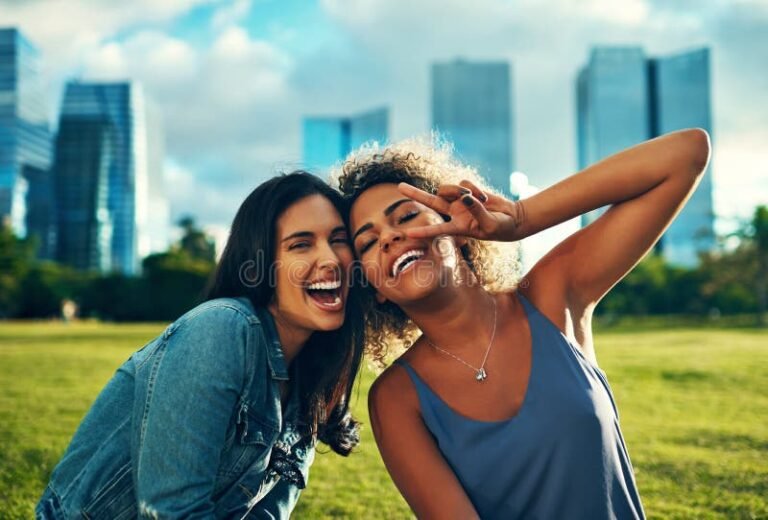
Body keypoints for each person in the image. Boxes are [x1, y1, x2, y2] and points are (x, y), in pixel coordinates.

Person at [337, 129, 710, 519]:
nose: (392, 237)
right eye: (367, 242)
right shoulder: (397, 399)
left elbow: (685, 154)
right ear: (374, 288)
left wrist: (520, 217)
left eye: (408, 216)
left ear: (459, 229)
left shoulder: (553, 295)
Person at [36, 172, 365, 519]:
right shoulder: (222, 327)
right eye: (301, 244)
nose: (330, 259)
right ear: (262, 264)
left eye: (338, 239)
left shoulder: (311, 377)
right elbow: (172, 511)